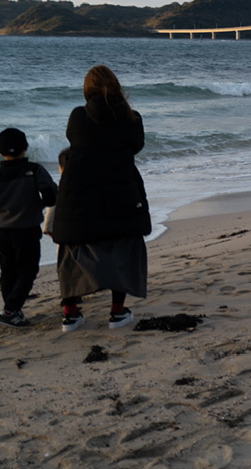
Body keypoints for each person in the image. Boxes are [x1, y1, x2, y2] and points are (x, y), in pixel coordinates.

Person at [53, 65, 151, 332]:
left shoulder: (78, 116)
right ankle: (117, 313)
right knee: (123, 246)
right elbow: (136, 146)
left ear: (88, 89)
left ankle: (70, 314)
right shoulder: (133, 118)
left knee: (73, 249)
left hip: (79, 190)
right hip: (120, 187)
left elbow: (73, 139)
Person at [0, 127, 58, 327]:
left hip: (3, 230)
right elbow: (51, 194)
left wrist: (2, 209)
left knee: (8, 272)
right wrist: (37, 204)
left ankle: (13, 311)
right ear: (26, 147)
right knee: (28, 270)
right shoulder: (35, 170)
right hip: (27, 229)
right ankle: (10, 310)